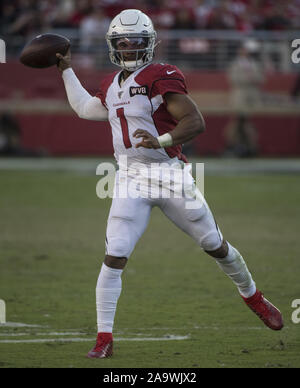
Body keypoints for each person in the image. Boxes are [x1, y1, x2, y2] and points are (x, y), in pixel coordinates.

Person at [56, 9, 283, 359]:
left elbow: (195, 121)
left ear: (150, 44)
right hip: (130, 178)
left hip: (170, 174)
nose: (129, 48)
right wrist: (66, 69)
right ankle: (104, 339)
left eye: (136, 42)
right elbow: (87, 108)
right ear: (112, 45)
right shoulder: (110, 84)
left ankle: (252, 296)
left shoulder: (161, 75)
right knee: (115, 254)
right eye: (122, 42)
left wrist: (161, 140)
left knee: (215, 245)